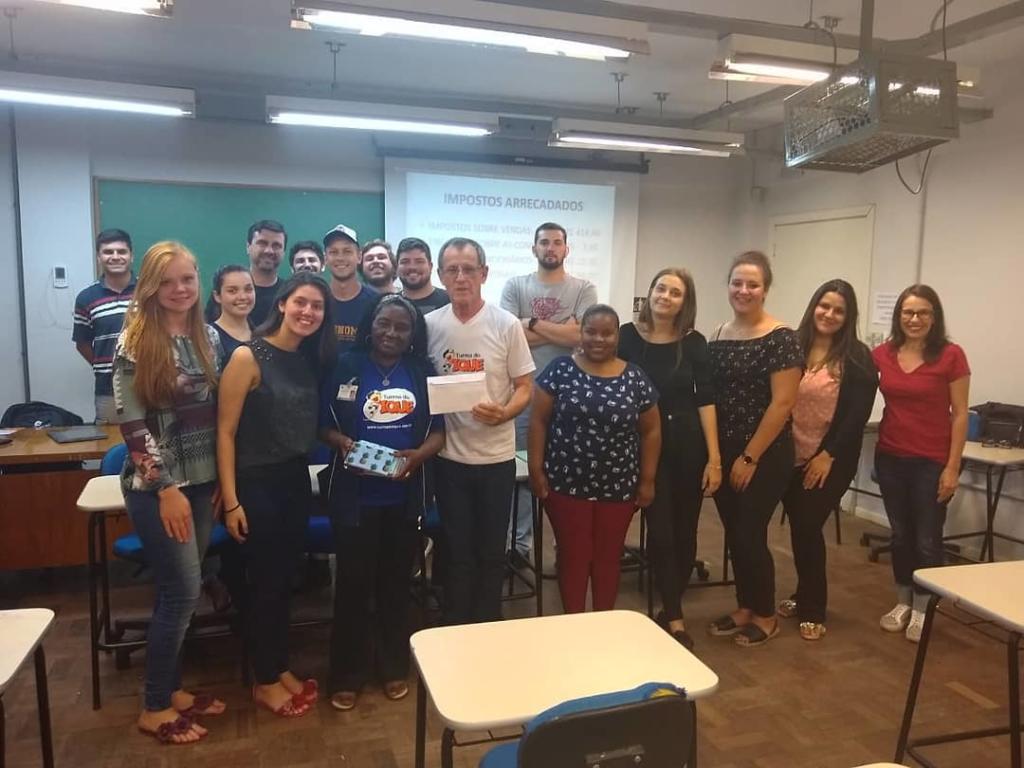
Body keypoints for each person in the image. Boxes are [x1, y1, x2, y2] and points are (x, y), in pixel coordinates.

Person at [112, 241, 224, 743]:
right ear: (151, 287)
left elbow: (217, 415)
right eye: (170, 281)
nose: (181, 289)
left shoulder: (206, 338)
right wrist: (165, 489)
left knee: (179, 591)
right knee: (182, 592)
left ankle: (173, 689)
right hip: (159, 489)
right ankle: (154, 705)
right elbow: (133, 427)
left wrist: (217, 479)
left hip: (201, 483)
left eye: (188, 279)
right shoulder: (136, 342)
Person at [216, 272, 335, 717]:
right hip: (255, 483)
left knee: (285, 581)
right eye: (301, 302)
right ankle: (264, 681)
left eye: (317, 307)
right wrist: (230, 500)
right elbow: (225, 433)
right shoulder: (248, 356)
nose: (308, 312)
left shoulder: (306, 358)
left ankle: (279, 667)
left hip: (292, 480)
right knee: (264, 584)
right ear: (283, 303)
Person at [319, 293, 445, 711]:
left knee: (395, 586)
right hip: (354, 498)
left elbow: (439, 433)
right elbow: (323, 426)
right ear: (370, 324)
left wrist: (417, 457)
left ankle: (393, 668)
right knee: (353, 588)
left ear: (413, 334)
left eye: (401, 327)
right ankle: (347, 674)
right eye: (384, 324)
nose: (391, 333)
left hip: (403, 498)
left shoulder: (421, 372)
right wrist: (342, 442)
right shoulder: (347, 365)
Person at [425, 237, 535, 625]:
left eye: (468, 269)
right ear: (441, 275)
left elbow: (526, 386)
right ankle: (457, 627)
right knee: (456, 550)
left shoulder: (506, 325)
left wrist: (505, 412)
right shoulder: (430, 325)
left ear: (484, 274)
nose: (460, 277)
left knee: (491, 551)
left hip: (496, 459)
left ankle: (488, 626)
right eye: (451, 269)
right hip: (449, 459)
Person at [529, 304, 660, 613]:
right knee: (573, 555)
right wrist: (536, 469)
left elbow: (652, 430)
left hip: (618, 487)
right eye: (591, 331)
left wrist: (647, 480)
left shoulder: (635, 377)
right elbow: (538, 421)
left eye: (607, 333)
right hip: (565, 484)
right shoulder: (560, 370)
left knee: (607, 557)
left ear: (617, 335)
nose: (598, 339)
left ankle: (603, 625)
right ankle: (573, 622)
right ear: (581, 334)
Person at [618, 268, 720, 650]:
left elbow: (705, 399)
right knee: (660, 530)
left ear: (685, 301)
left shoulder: (694, 342)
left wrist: (715, 459)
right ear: (649, 293)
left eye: (675, 292)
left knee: (685, 532)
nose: (665, 296)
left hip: (688, 443)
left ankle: (668, 606)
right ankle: (675, 618)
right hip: (643, 446)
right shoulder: (626, 337)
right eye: (660, 288)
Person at [706, 251, 802, 648]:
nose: (743, 291)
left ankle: (765, 614)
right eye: (737, 283)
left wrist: (749, 457)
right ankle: (745, 606)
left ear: (765, 289)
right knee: (735, 533)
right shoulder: (717, 334)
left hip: (765, 453)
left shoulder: (781, 337)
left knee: (749, 532)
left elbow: (782, 404)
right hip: (725, 451)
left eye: (753, 284)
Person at [777, 280, 878, 641]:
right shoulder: (793, 346)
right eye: (824, 306)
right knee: (800, 529)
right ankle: (802, 593)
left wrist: (827, 455)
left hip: (828, 459)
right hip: (787, 455)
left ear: (848, 317)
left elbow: (856, 416)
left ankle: (814, 606)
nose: (829, 314)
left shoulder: (858, 357)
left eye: (839, 310)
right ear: (813, 306)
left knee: (806, 526)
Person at [873, 284, 969, 643]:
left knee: (927, 539)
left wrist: (952, 466)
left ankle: (924, 607)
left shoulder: (951, 356)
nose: (915, 319)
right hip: (891, 456)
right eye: (908, 313)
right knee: (900, 536)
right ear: (898, 317)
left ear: (934, 316)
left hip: (932, 460)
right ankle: (903, 601)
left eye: (923, 313)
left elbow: (960, 414)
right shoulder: (882, 353)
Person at [501, 222, 597, 560]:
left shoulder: (584, 288)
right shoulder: (515, 285)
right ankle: (519, 546)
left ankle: (566, 546)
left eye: (557, 242)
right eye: (544, 242)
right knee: (524, 473)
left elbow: (582, 337)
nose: (551, 248)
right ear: (534, 248)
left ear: (567, 249)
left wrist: (532, 324)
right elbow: (509, 336)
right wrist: (565, 328)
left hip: (571, 396)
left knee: (569, 474)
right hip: (524, 392)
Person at [74, 228, 136, 424]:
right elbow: (82, 343)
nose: (115, 257)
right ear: (99, 257)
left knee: (152, 446)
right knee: (110, 447)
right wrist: (104, 367)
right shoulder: (86, 298)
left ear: (131, 256)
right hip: (107, 390)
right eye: (108, 252)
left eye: (121, 251)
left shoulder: (149, 292)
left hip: (147, 386)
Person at [324, 224, 378, 352]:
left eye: (347, 251)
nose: (340, 258)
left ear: (359, 257)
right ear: (325, 258)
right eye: (333, 252)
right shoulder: (316, 300)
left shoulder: (376, 303)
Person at [204, 265, 254, 366]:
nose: (242, 297)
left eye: (248, 289)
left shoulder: (262, 333)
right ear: (217, 296)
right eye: (232, 291)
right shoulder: (208, 338)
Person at [246, 219, 286, 326]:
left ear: (284, 252)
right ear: (248, 247)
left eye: (276, 245)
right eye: (262, 243)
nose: (269, 251)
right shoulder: (229, 290)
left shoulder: (290, 293)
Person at [396, 237, 450, 313]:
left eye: (419, 261)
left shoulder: (450, 302)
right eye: (405, 262)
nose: (412, 267)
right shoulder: (390, 305)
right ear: (397, 267)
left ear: (430, 266)